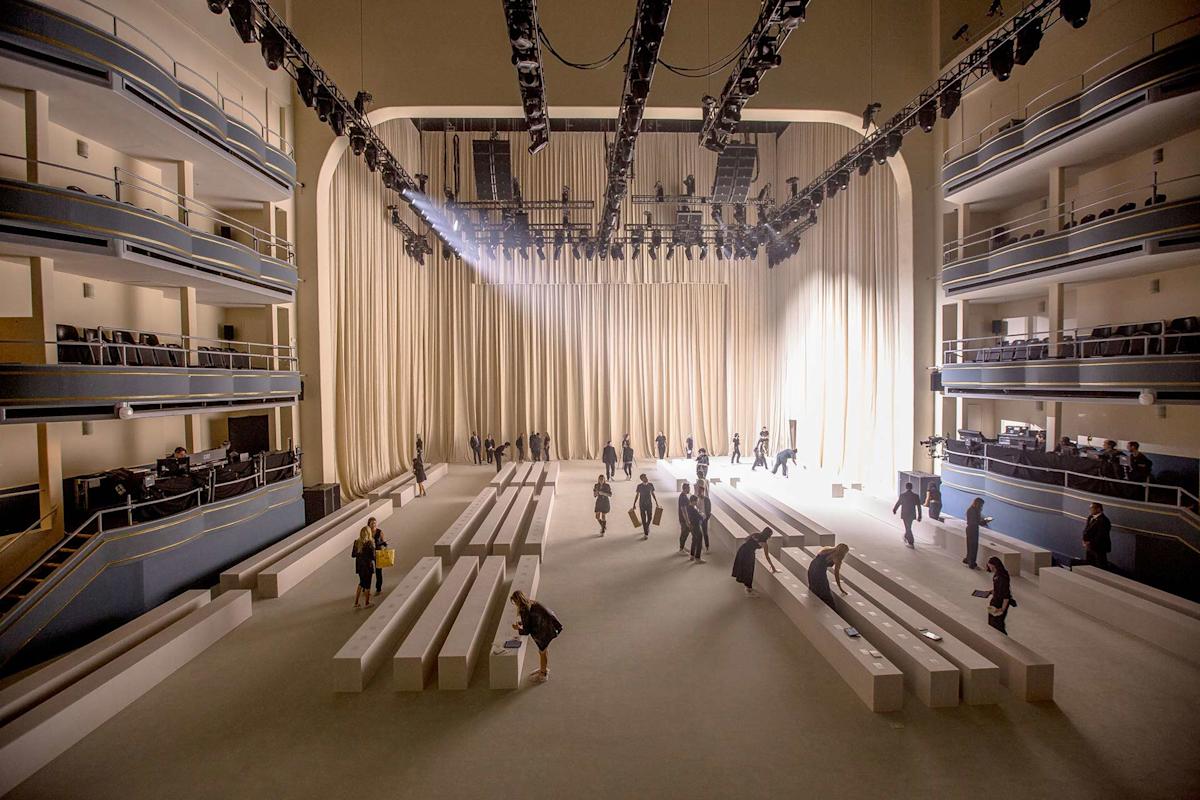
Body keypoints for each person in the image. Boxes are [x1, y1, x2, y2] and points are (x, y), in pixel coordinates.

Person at [510, 589, 562, 683]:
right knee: (543, 650)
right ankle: (544, 669)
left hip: (544, 630)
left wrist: (518, 628)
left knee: (542, 651)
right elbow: (532, 618)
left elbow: (526, 631)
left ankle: (543, 674)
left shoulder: (524, 609)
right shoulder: (531, 603)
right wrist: (522, 623)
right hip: (550, 625)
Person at [732, 528, 778, 596]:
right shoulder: (764, 543)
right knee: (749, 571)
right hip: (749, 554)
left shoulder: (755, 534)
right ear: (768, 536)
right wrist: (773, 567)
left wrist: (752, 544)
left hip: (742, 550)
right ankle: (749, 589)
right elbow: (767, 556)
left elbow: (746, 539)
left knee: (742, 567)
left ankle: (748, 587)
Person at [808, 543, 849, 610]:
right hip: (819, 571)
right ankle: (832, 610)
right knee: (825, 592)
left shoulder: (827, 549)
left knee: (814, 587)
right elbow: (836, 574)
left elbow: (817, 559)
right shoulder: (838, 558)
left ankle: (815, 607)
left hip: (812, 568)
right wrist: (840, 588)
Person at [984, 556, 1015, 634]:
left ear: (994, 565)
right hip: (995, 601)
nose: (989, 567)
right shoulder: (998, 574)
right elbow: (998, 588)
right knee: (992, 622)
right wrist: (992, 591)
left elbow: (1006, 596)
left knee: (997, 624)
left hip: (999, 604)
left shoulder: (1002, 578)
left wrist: (1002, 609)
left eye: (989, 566)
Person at [352, 524, 376, 608]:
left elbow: (353, 555)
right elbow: (373, 557)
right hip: (368, 567)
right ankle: (367, 603)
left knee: (361, 583)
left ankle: (356, 602)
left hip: (359, 567)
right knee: (367, 585)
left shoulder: (356, 542)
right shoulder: (370, 543)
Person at [892, 481, 922, 548]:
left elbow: (898, 503)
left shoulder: (903, 495)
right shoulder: (916, 496)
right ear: (912, 487)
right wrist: (919, 515)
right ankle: (906, 536)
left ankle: (911, 542)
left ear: (906, 487)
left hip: (905, 514)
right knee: (909, 526)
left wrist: (894, 509)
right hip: (912, 514)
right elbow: (919, 507)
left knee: (907, 527)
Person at [1082, 502, 1111, 568]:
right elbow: (1086, 530)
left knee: (1100, 565)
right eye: (1090, 508)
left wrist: (1090, 543)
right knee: (1089, 564)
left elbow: (1101, 535)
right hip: (1089, 546)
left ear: (1098, 509)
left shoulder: (1104, 520)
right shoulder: (1090, 517)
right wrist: (1084, 540)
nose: (1090, 510)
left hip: (1099, 547)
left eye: (1092, 508)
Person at [631, 473, 659, 539]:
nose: (646, 478)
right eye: (644, 478)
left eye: (646, 477)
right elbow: (637, 495)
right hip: (642, 504)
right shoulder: (639, 486)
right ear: (642, 479)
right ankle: (646, 534)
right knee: (643, 519)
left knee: (650, 517)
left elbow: (653, 493)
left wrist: (656, 502)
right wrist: (634, 504)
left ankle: (646, 526)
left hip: (649, 504)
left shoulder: (650, 485)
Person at [964, 496, 984, 570]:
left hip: (972, 529)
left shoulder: (972, 510)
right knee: (973, 546)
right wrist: (982, 522)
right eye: (981, 505)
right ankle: (971, 563)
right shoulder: (973, 511)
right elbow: (974, 522)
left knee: (970, 545)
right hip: (972, 530)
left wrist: (984, 521)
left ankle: (968, 559)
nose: (982, 507)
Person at [369, 518, 388, 594]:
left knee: (378, 571)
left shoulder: (379, 532)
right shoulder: (367, 532)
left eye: (374, 523)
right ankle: (366, 589)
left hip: (378, 553)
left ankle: (378, 588)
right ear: (369, 524)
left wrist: (384, 546)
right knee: (368, 571)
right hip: (370, 553)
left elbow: (384, 542)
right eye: (372, 523)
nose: (373, 524)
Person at [686, 495, 706, 563]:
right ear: (693, 501)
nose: (697, 502)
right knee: (699, 540)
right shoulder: (694, 510)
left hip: (692, 525)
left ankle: (692, 555)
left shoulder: (688, 507)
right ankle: (698, 558)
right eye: (696, 501)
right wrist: (702, 515)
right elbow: (700, 517)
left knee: (694, 540)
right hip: (696, 526)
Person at [694, 480, 711, 553]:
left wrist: (706, 518)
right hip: (698, 518)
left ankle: (707, 547)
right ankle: (699, 547)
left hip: (704, 518)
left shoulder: (707, 499)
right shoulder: (696, 498)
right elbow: (694, 507)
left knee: (705, 533)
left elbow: (709, 510)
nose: (699, 492)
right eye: (698, 491)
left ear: (703, 491)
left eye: (701, 491)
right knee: (697, 533)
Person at [677, 481, 692, 553]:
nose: (690, 489)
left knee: (686, 532)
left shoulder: (684, 496)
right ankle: (681, 549)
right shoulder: (683, 497)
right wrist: (687, 521)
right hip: (684, 519)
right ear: (685, 488)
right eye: (689, 488)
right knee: (684, 533)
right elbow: (683, 510)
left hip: (685, 519)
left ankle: (682, 546)